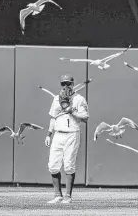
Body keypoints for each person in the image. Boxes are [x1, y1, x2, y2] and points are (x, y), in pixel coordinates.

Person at [45, 74, 89, 204]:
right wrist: (48, 134)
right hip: (58, 134)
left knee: (69, 165)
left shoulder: (79, 99)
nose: (65, 86)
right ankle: (57, 195)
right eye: (63, 84)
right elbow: (53, 117)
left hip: (72, 133)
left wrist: (71, 111)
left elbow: (86, 118)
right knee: (53, 165)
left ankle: (68, 196)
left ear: (73, 84)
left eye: (68, 83)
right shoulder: (56, 99)